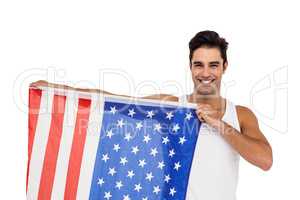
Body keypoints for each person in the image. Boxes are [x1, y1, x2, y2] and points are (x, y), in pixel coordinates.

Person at [31, 30, 272, 199]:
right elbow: (115, 100)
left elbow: (265, 161)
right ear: (190, 67)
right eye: (198, 64)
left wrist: (217, 123)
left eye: (213, 65)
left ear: (225, 67)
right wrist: (60, 91)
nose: (205, 72)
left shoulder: (240, 115)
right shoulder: (172, 107)